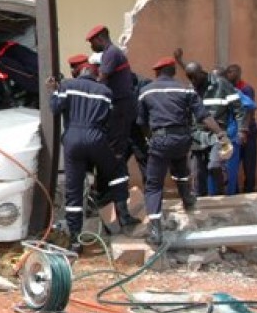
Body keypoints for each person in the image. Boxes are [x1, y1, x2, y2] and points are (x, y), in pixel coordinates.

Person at [137, 57, 229, 246]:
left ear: (157, 72)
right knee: (180, 170)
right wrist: (221, 134)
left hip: (160, 140)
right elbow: (203, 116)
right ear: (173, 71)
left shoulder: (146, 91)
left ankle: (155, 229)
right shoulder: (186, 89)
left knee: (154, 185)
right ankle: (188, 199)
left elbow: (141, 122)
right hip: (182, 139)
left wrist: (150, 138)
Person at [48, 61, 136, 254]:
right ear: (96, 74)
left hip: (72, 140)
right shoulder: (105, 92)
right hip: (96, 138)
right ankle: (124, 216)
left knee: (74, 191)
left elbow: (55, 108)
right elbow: (109, 121)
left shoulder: (67, 86)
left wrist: (53, 91)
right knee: (117, 172)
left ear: (78, 72)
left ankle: (75, 241)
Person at [174, 50, 245, 197]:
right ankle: (201, 205)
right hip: (197, 135)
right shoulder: (191, 88)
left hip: (217, 133)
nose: (192, 81)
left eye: (194, 78)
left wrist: (242, 130)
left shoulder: (221, 84)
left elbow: (239, 108)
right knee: (198, 174)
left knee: (214, 166)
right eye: (189, 78)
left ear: (201, 74)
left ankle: (220, 195)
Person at [86, 25, 135, 163]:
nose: (91, 46)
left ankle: (114, 178)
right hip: (121, 105)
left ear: (100, 39)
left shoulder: (111, 53)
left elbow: (101, 78)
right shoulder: (111, 52)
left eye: (92, 42)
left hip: (120, 106)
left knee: (115, 146)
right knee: (118, 144)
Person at [225, 64, 257, 193]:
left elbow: (249, 111)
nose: (229, 74)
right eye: (228, 72)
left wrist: (244, 130)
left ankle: (249, 191)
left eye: (232, 72)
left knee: (249, 164)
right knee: (232, 164)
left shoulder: (245, 89)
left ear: (239, 73)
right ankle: (234, 191)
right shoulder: (226, 89)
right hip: (233, 131)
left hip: (247, 131)